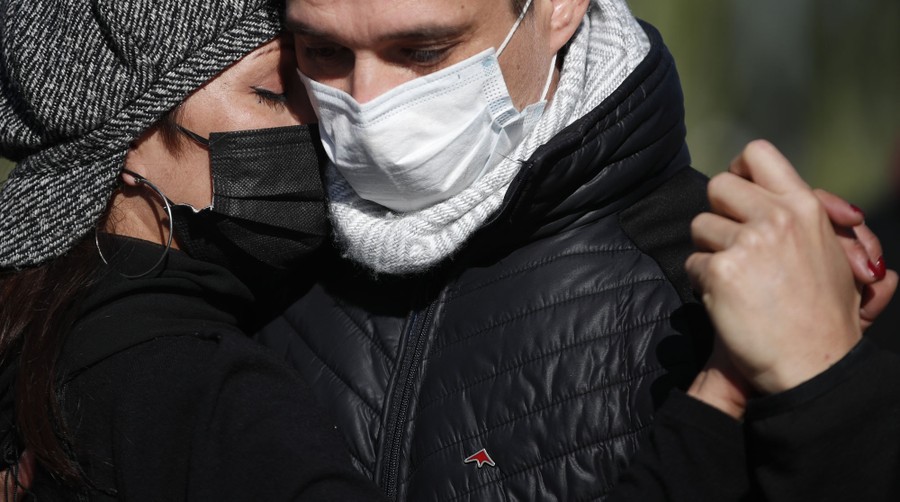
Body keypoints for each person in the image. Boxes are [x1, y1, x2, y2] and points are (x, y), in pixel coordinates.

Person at [256, 0, 895, 500]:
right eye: (325, 50)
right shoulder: (258, 256)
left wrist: (826, 387)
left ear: (558, 10)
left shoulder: (711, 272)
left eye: (423, 52)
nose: (367, 102)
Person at [0, 0, 385, 499]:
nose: (319, 120)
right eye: (272, 91)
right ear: (129, 131)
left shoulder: (35, 332)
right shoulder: (205, 395)